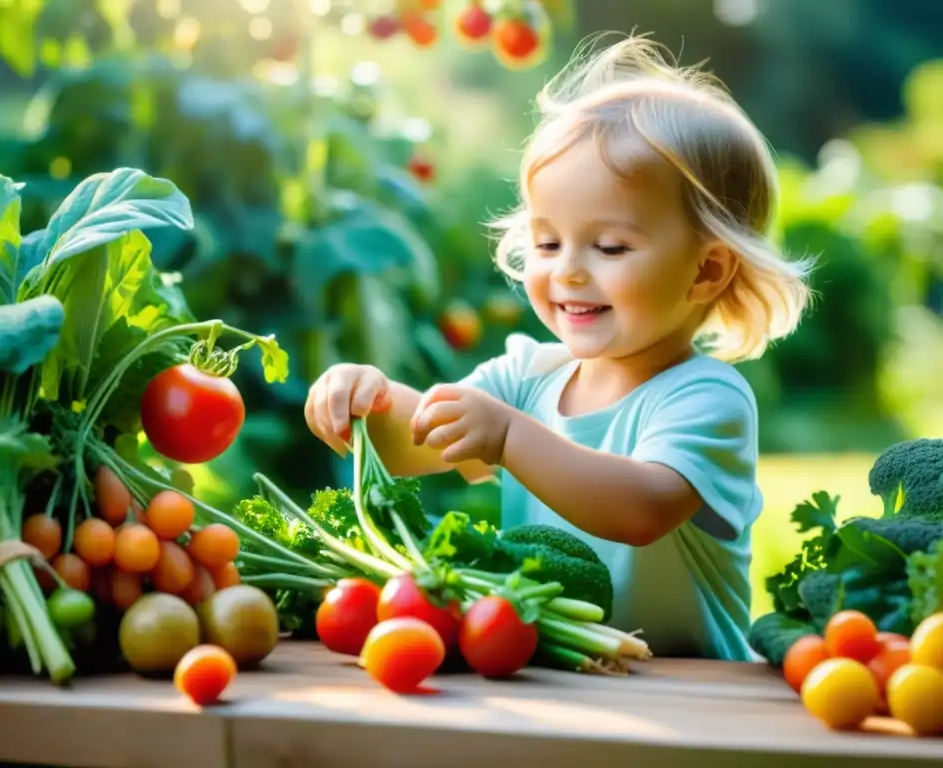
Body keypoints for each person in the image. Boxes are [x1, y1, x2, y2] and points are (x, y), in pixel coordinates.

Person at [303, 33, 813, 661]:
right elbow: (419, 441)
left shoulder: (706, 398)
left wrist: (511, 439)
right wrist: (365, 403)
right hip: (553, 672)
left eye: (610, 247)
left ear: (706, 271)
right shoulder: (529, 375)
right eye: (547, 243)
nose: (567, 271)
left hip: (688, 689)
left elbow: (641, 507)